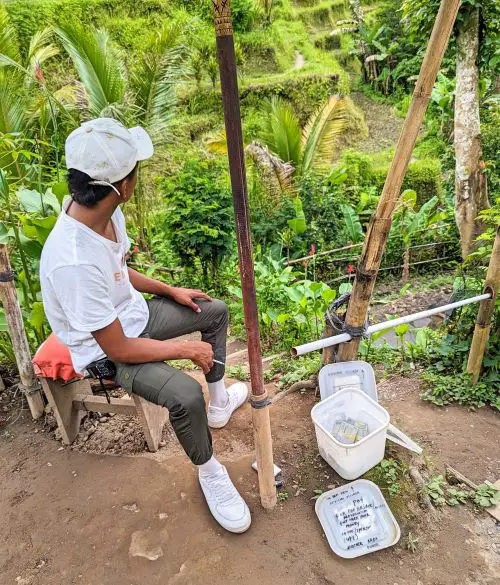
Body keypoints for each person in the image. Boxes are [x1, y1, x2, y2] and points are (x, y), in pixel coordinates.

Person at [40, 118, 251, 533]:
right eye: (136, 168)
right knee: (184, 393)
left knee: (214, 310)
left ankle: (220, 406)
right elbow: (118, 349)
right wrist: (186, 350)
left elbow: (119, 269)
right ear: (122, 184)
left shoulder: (101, 213)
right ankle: (209, 471)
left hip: (130, 317)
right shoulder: (73, 260)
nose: (139, 174)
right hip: (105, 352)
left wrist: (171, 290)